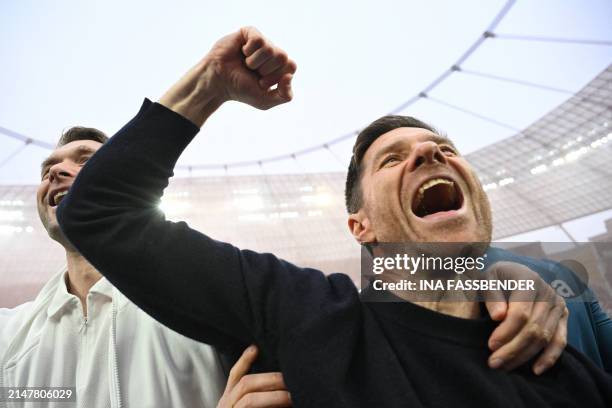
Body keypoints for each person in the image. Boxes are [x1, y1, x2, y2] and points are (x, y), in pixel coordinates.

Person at [57, 27, 612, 407]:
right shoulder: (301, 310)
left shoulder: (565, 368)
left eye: (442, 147)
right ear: (359, 226)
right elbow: (99, 210)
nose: (428, 155)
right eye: (391, 159)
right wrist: (211, 84)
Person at [0, 127, 291, 408]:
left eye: (86, 160)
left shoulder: (203, 300)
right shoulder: (9, 336)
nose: (54, 172)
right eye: (47, 169)